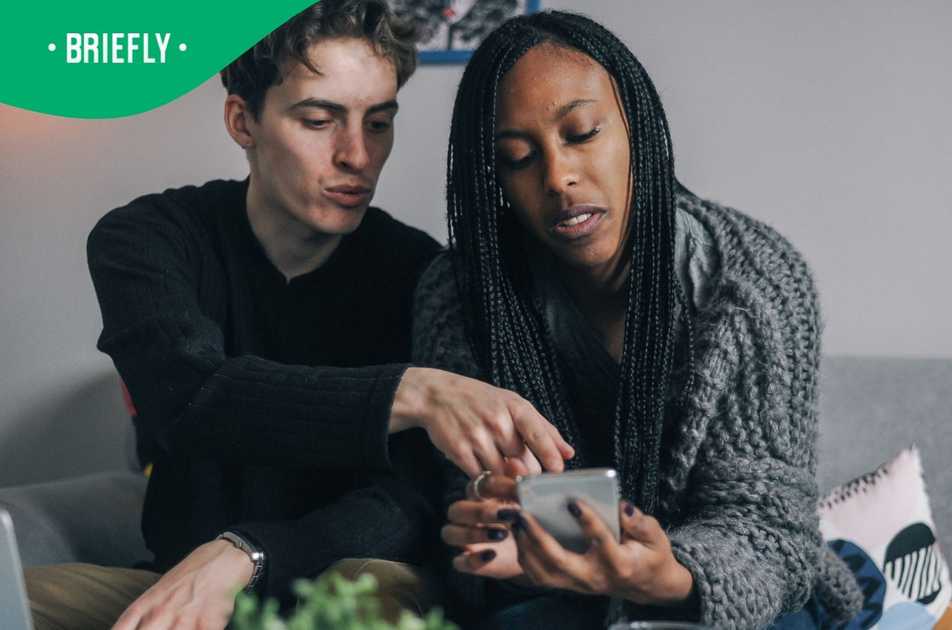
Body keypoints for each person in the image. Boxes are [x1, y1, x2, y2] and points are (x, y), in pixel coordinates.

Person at [24, 2, 573, 629]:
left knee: (367, 592)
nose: (356, 156)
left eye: (379, 123)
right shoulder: (146, 240)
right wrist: (409, 391)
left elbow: (408, 502)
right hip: (190, 582)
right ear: (243, 120)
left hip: (347, 574)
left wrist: (249, 552)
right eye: (319, 119)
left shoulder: (423, 273)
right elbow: (194, 397)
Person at [411, 10, 867, 629]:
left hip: (724, 597)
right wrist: (489, 521)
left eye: (582, 132)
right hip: (553, 595)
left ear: (637, 128)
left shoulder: (751, 284)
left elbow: (769, 534)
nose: (558, 177)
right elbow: (463, 500)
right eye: (518, 158)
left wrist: (665, 575)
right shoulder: (462, 297)